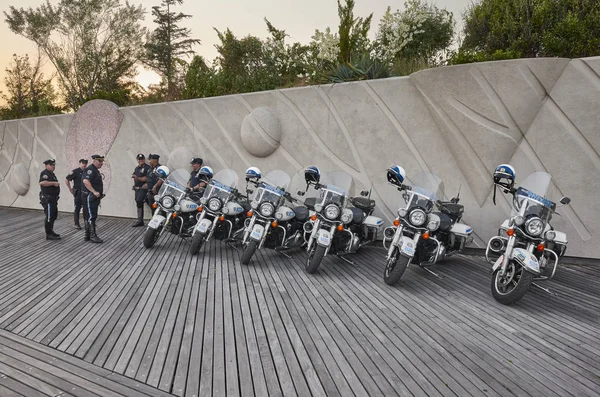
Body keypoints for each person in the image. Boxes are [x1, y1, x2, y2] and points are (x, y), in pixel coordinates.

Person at [82, 154, 105, 243]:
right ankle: (92, 235)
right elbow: (85, 181)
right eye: (99, 161)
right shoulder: (90, 170)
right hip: (90, 197)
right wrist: (94, 191)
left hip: (93, 198)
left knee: (89, 215)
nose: (101, 163)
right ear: (94, 161)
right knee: (92, 216)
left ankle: (87, 235)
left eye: (102, 161)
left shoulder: (95, 170)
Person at [39, 159, 61, 240]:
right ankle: (48, 234)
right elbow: (42, 183)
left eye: (54, 165)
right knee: (49, 216)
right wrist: (54, 183)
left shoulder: (52, 174)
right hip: (47, 199)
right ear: (46, 165)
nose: (53, 166)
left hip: (53, 199)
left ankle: (51, 231)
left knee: (53, 216)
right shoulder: (44, 173)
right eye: (51, 165)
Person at [65, 158, 88, 229]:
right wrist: (70, 188)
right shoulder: (75, 171)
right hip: (78, 193)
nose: (84, 164)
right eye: (82, 163)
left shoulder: (87, 171)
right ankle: (76, 223)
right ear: (79, 163)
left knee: (86, 209)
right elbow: (67, 179)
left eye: (85, 163)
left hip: (85, 193)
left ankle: (87, 223)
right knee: (77, 208)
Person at [131, 153, 151, 227]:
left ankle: (151, 220)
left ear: (144, 159)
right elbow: (135, 177)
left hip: (144, 189)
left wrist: (137, 178)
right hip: (138, 189)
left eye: (142, 159)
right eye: (139, 159)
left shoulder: (147, 167)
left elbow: (146, 178)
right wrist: (134, 185)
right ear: (137, 160)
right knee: (138, 203)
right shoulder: (137, 168)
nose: (141, 160)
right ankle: (140, 221)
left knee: (146, 202)